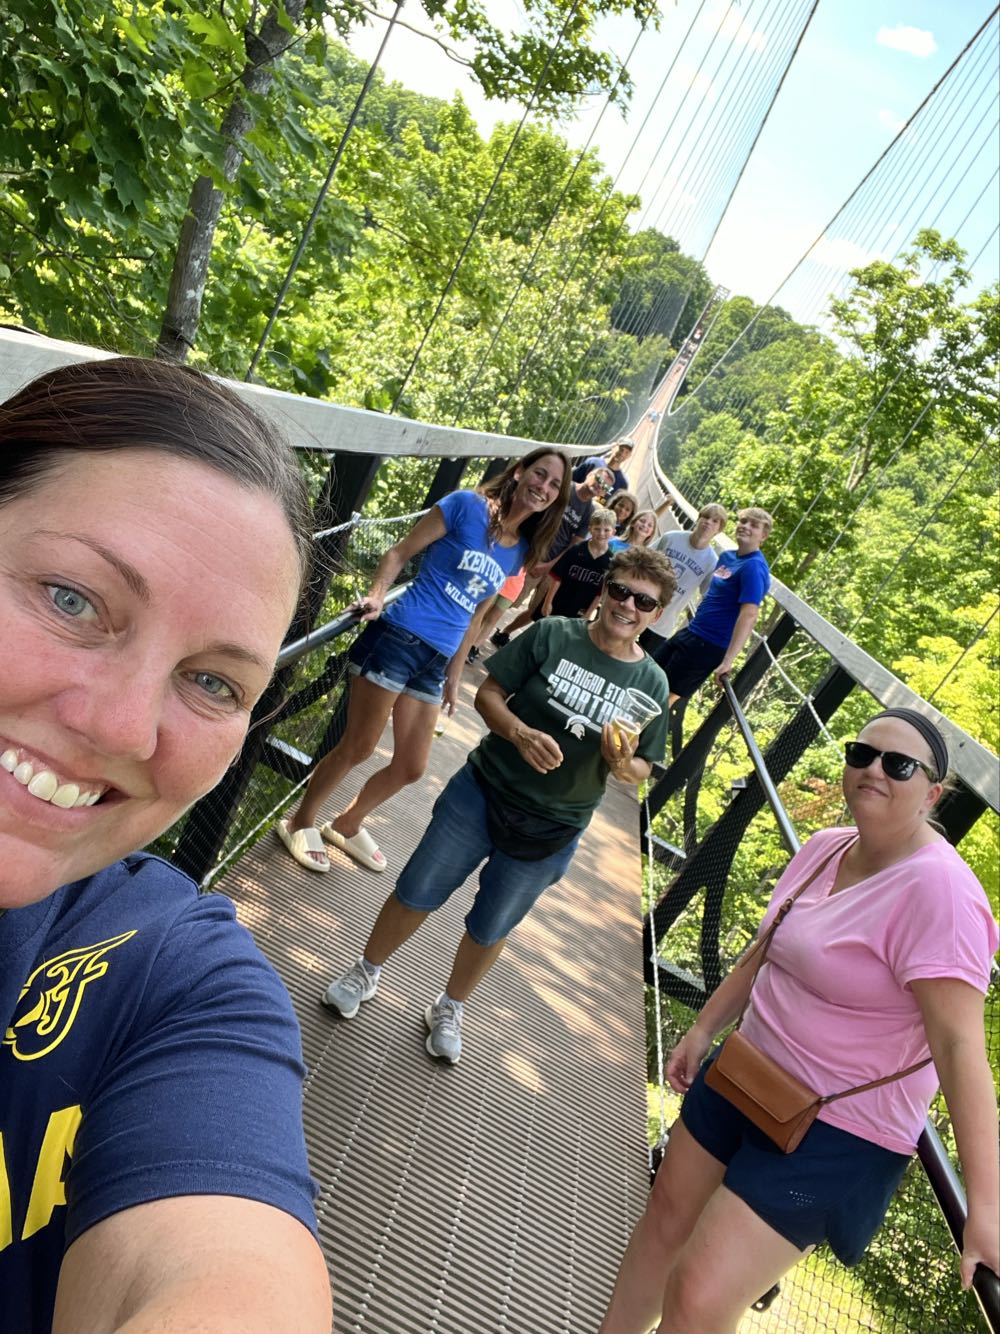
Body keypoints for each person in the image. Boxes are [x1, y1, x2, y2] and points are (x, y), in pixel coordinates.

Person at [0, 357, 331, 1333]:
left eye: (213, 681)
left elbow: (227, 1271)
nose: (121, 728)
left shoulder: (175, 980)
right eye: (72, 597)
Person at [599, 708, 999, 1333]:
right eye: (860, 754)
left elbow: (957, 1048)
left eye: (898, 765)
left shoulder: (942, 894)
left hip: (840, 1131)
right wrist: (704, 1030)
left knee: (699, 1297)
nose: (873, 771)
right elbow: (765, 951)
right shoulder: (824, 848)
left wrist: (988, 1209)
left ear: (933, 793)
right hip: (748, 1071)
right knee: (664, 1221)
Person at [319, 547, 676, 1064]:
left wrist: (622, 766)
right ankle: (366, 970)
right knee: (417, 888)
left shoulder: (652, 683)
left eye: (643, 601)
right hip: (483, 790)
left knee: (493, 926)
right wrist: (519, 732)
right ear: (603, 590)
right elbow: (489, 694)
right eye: (619, 590)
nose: (627, 606)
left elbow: (643, 764)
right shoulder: (553, 634)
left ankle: (449, 1006)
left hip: (553, 825)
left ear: (657, 614)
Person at [277, 448, 570, 873]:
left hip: (435, 661)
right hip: (399, 636)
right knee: (358, 747)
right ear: (520, 471)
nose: (542, 487)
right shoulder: (465, 505)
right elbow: (398, 553)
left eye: (554, 484)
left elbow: (476, 615)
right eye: (539, 474)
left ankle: (346, 822)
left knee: (412, 766)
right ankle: (299, 821)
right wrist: (377, 595)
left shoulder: (518, 550)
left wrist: (454, 673)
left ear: (557, 497)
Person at [651, 507, 771, 705]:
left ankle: (634, 735)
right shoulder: (726, 557)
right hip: (691, 631)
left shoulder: (754, 567)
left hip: (710, 645)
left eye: (754, 525)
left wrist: (728, 661)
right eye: (743, 521)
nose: (745, 527)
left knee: (662, 698)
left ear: (763, 536)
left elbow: (749, 615)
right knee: (649, 675)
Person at [490, 464, 612, 648]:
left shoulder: (589, 512)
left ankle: (503, 633)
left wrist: (548, 566)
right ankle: (475, 635)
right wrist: (531, 554)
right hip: (529, 553)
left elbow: (574, 544)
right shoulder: (563, 489)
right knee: (505, 598)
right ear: (590, 474)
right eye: (599, 480)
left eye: (606, 487)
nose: (600, 486)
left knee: (538, 609)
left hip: (554, 563)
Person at [640, 503, 727, 655]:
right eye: (705, 517)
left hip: (663, 623)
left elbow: (708, 596)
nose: (708, 522)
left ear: (719, 530)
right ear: (698, 519)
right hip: (639, 605)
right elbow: (642, 559)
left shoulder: (712, 561)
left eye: (715, 521)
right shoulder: (672, 538)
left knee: (639, 662)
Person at [536, 505, 616, 621]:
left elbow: (600, 593)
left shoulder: (610, 561)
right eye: (597, 528)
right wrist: (548, 602)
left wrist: (588, 614)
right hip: (558, 601)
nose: (601, 533)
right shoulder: (576, 549)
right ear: (590, 529)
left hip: (580, 610)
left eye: (606, 530)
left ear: (613, 532)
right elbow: (557, 577)